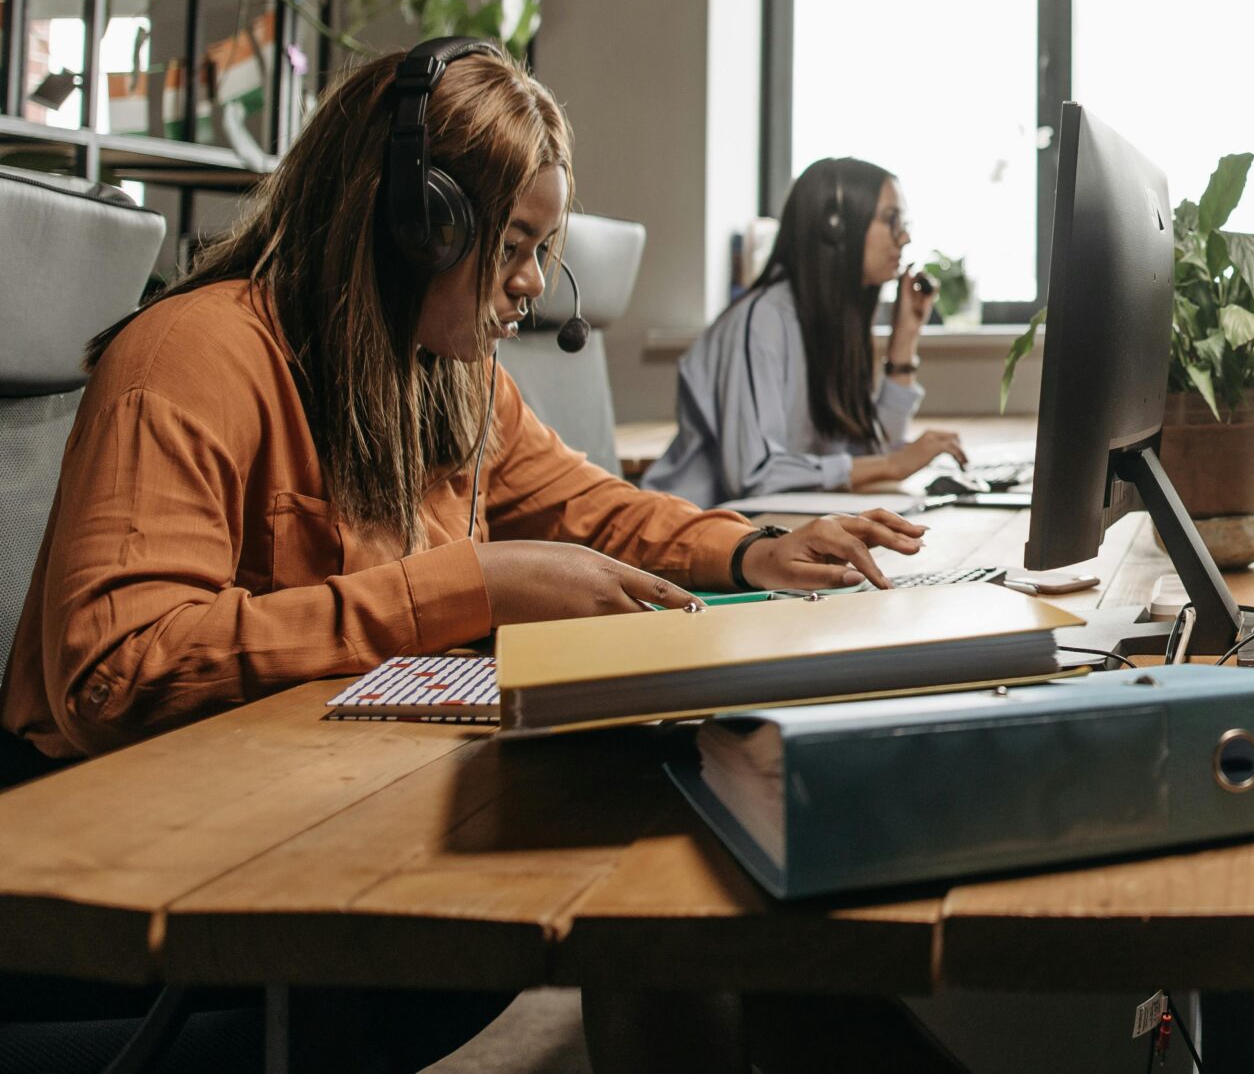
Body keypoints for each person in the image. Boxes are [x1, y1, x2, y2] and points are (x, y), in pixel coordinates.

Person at [5, 40, 935, 766]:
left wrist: (751, 548)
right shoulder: (193, 355)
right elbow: (113, 674)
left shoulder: (450, 372)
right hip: (118, 841)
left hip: (307, 776)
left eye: (543, 248)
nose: (532, 282)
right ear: (415, 226)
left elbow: (591, 506)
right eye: (513, 242)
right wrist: (473, 586)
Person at [645, 157, 970, 507]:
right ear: (836, 226)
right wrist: (892, 465)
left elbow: (872, 453)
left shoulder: (831, 322)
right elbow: (755, 476)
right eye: (892, 220)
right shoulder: (761, 321)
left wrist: (904, 340)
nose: (904, 237)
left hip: (765, 526)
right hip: (685, 537)